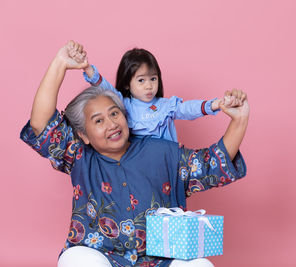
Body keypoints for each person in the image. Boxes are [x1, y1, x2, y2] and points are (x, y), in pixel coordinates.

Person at [20, 41, 249, 267]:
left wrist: (239, 119)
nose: (111, 124)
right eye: (99, 120)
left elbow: (212, 164)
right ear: (84, 135)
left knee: (200, 265)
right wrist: (60, 63)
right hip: (100, 256)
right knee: (75, 261)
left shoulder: (163, 152)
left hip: (161, 260)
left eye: (115, 114)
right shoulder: (79, 155)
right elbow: (41, 125)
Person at [72, 41, 239, 142]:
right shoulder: (124, 105)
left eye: (153, 79)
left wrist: (216, 104)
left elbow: (188, 108)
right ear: (127, 84)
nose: (149, 86)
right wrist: (87, 67)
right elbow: (104, 88)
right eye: (141, 80)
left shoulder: (166, 105)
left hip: (167, 165)